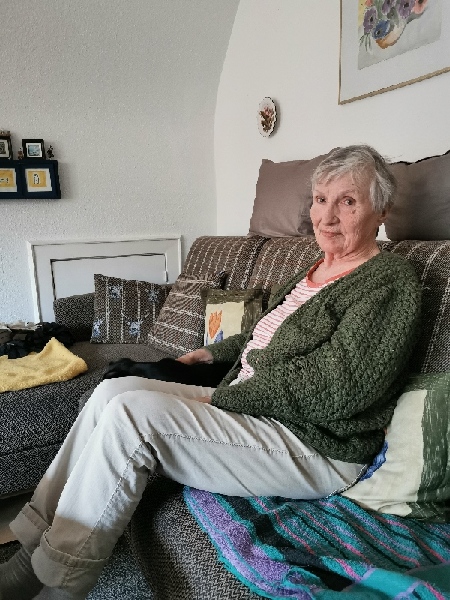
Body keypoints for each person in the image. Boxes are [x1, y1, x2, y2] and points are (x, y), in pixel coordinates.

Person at [0, 145, 421, 599]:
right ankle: (30, 553)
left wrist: (223, 397)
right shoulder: (312, 268)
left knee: (130, 417)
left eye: (348, 201)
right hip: (256, 411)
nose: (327, 216)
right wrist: (202, 356)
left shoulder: (389, 279)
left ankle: (59, 585)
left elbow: (340, 386)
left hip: (315, 444)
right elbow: (262, 336)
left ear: (381, 211)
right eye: (321, 199)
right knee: (111, 392)